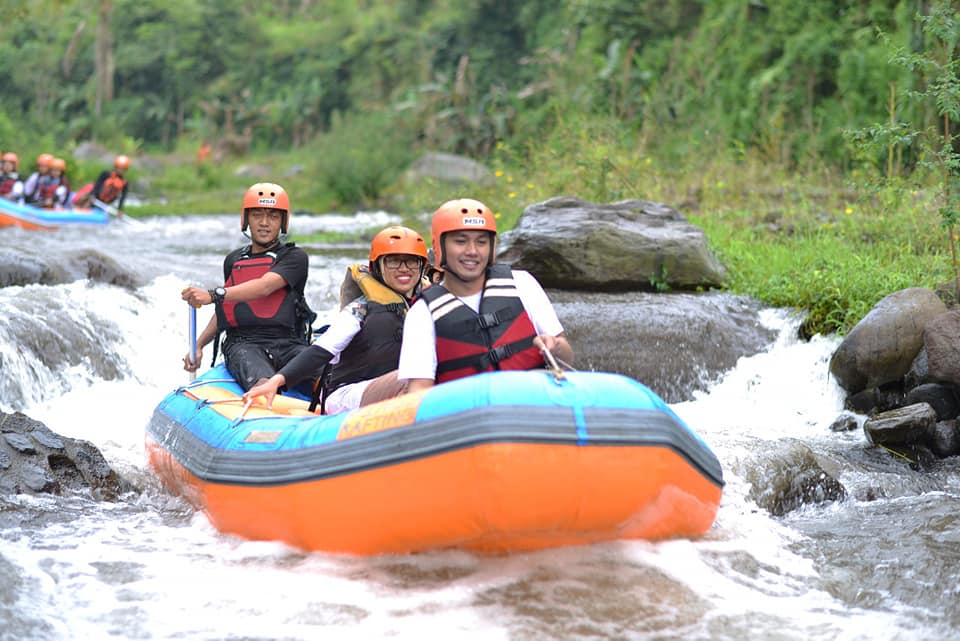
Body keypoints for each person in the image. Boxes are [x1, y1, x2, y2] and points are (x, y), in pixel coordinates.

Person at [242, 225, 429, 413]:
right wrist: (277, 381)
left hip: (396, 387)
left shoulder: (431, 304)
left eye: (412, 262)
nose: (404, 269)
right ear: (377, 267)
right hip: (346, 393)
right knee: (415, 378)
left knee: (425, 376)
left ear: (422, 267)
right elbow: (321, 350)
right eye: (394, 261)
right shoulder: (359, 310)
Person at [397, 198, 574, 393]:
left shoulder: (523, 284)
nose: (472, 251)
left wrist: (555, 347)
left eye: (481, 242)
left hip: (529, 404)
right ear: (439, 246)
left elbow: (566, 358)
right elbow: (419, 391)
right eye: (460, 241)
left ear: (492, 247)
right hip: (467, 415)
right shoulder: (422, 314)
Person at [180, 183, 320, 392]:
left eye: (273, 216)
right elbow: (226, 309)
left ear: (283, 222)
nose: (264, 223)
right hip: (243, 344)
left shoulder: (295, 257)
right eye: (257, 215)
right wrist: (199, 345)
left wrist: (213, 294)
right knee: (263, 385)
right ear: (246, 219)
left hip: (289, 343)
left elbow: (264, 286)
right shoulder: (233, 260)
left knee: (329, 376)